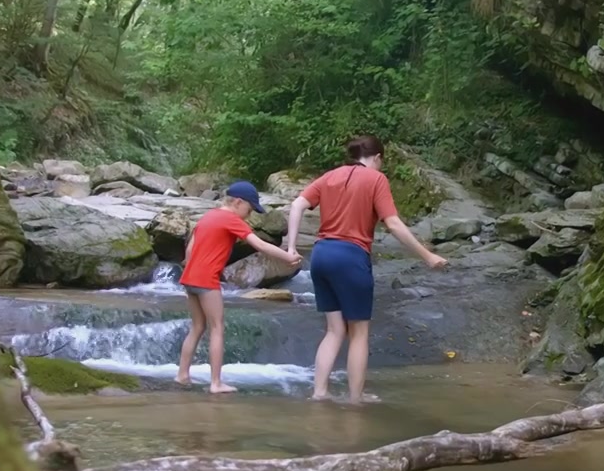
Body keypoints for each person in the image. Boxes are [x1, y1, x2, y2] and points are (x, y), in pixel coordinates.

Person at [285, 135, 446, 404]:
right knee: (358, 332)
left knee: (334, 330)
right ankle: (355, 398)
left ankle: (319, 393)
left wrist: (291, 247)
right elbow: (392, 224)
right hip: (351, 256)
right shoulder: (376, 179)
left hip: (321, 255)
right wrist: (427, 255)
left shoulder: (329, 176)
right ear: (378, 157)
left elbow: (297, 204)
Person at [177, 180, 301, 393]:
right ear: (237, 202)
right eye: (249, 209)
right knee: (217, 327)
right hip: (207, 280)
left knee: (197, 327)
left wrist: (193, 268)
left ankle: (182, 374)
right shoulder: (231, 219)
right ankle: (216, 383)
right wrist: (288, 257)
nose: (249, 214)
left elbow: (190, 250)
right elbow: (260, 245)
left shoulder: (208, 216)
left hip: (189, 278)